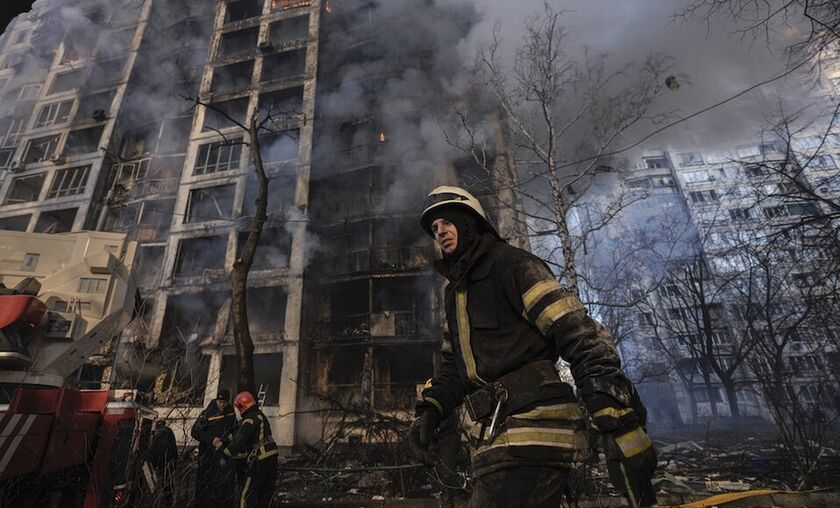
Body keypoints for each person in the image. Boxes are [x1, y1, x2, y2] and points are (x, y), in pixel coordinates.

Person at [407, 186, 658, 508]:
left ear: (470, 221)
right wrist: (431, 410)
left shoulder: (513, 265)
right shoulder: (455, 294)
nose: (439, 232)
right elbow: (455, 367)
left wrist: (612, 412)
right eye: (433, 229)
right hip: (495, 439)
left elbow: (579, 333)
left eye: (446, 222)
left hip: (535, 429)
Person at [214, 391, 278, 508]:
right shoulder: (259, 415)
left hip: (261, 458)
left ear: (242, 407)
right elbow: (242, 436)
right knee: (266, 495)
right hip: (271, 456)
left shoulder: (250, 419)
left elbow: (239, 439)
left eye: (238, 408)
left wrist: (224, 454)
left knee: (247, 495)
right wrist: (225, 440)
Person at [191, 389, 237, 507]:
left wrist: (226, 443)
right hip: (207, 454)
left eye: (224, 403)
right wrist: (212, 440)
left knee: (221, 485)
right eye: (219, 402)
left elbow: (234, 431)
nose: (221, 405)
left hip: (222, 454)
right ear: (216, 400)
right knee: (204, 484)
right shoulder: (208, 412)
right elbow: (195, 431)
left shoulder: (231, 412)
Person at [146, 418, 178, 508]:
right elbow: (173, 447)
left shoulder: (154, 431)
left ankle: (154, 499)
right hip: (166, 459)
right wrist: (175, 461)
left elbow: (151, 447)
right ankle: (168, 501)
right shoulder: (168, 431)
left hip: (155, 459)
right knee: (167, 480)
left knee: (153, 480)